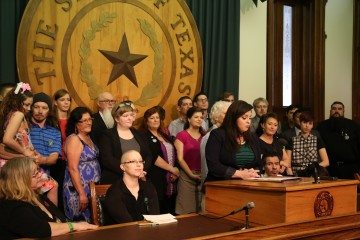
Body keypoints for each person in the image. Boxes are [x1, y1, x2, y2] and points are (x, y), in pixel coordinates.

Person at [0, 157, 97, 239]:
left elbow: (57, 219)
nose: (41, 175)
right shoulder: (13, 207)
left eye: (38, 171)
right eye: (35, 174)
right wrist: (75, 226)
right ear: (20, 181)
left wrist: (54, 189)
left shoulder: (37, 197)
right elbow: (42, 229)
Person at [98, 101, 152, 184]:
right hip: (116, 180)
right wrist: (129, 171)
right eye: (125, 116)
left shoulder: (139, 134)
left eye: (131, 115)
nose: (130, 118)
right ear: (116, 119)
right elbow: (107, 159)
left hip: (139, 179)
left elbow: (148, 155)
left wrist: (142, 170)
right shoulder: (107, 135)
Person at [205, 100, 261, 181]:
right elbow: (213, 165)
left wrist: (252, 172)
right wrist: (239, 174)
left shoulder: (253, 137)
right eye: (244, 118)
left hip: (247, 185)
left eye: (250, 117)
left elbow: (259, 164)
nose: (248, 121)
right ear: (233, 118)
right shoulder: (217, 135)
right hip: (220, 184)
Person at [63, 107, 101, 222]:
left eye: (90, 119)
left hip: (91, 188)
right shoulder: (74, 139)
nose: (88, 122)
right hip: (78, 190)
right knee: (80, 226)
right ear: (76, 124)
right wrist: (82, 193)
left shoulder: (88, 136)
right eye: (84, 120)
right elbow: (73, 168)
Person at [139, 106, 179, 214]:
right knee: (159, 208)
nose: (156, 120)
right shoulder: (144, 136)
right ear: (146, 121)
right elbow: (153, 156)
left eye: (157, 117)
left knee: (171, 209)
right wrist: (172, 169)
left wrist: (175, 171)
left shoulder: (164, 135)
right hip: (156, 177)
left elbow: (175, 153)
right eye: (152, 118)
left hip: (171, 178)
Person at [104, 150, 159, 224]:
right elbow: (126, 223)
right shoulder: (114, 191)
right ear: (122, 167)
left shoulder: (148, 187)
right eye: (133, 161)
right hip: (121, 233)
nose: (138, 165)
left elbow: (155, 217)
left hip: (148, 232)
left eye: (141, 161)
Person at [29, 92, 62, 206]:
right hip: (24, 176)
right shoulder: (25, 127)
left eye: (44, 108)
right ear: (31, 108)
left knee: (49, 210)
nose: (40, 111)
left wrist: (40, 159)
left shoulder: (54, 132)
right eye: (36, 107)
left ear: (49, 110)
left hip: (44, 179)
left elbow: (53, 158)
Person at [317, 101, 360, 179]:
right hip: (329, 169)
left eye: (339, 109)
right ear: (330, 111)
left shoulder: (353, 125)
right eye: (334, 109)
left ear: (343, 111)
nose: (336, 111)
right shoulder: (321, 126)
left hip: (350, 169)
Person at [174, 107, 205, 214]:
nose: (199, 119)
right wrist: (191, 174)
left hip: (203, 176)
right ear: (188, 119)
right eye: (196, 117)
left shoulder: (205, 136)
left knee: (203, 210)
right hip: (187, 176)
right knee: (186, 210)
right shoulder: (182, 135)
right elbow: (180, 159)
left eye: (201, 117)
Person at [0, 82, 35, 167]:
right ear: (16, 102)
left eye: (30, 105)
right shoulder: (19, 114)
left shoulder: (13, 114)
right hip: (16, 164)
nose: (29, 108)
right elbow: (7, 139)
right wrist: (24, 151)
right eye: (26, 105)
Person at [286, 111, 329, 176]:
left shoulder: (317, 140)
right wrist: (291, 175)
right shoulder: (292, 140)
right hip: (297, 175)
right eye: (304, 122)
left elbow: (326, 162)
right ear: (300, 123)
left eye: (310, 123)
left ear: (312, 125)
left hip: (313, 174)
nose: (307, 126)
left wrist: (312, 167)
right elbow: (287, 163)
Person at [200, 100, 231, 187]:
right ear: (216, 117)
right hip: (212, 185)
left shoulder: (227, 134)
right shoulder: (210, 135)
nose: (229, 116)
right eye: (225, 113)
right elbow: (206, 165)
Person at [51, 89, 71, 210]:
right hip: (57, 161)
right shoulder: (51, 121)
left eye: (68, 100)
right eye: (62, 99)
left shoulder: (73, 121)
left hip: (72, 160)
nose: (66, 102)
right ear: (55, 102)